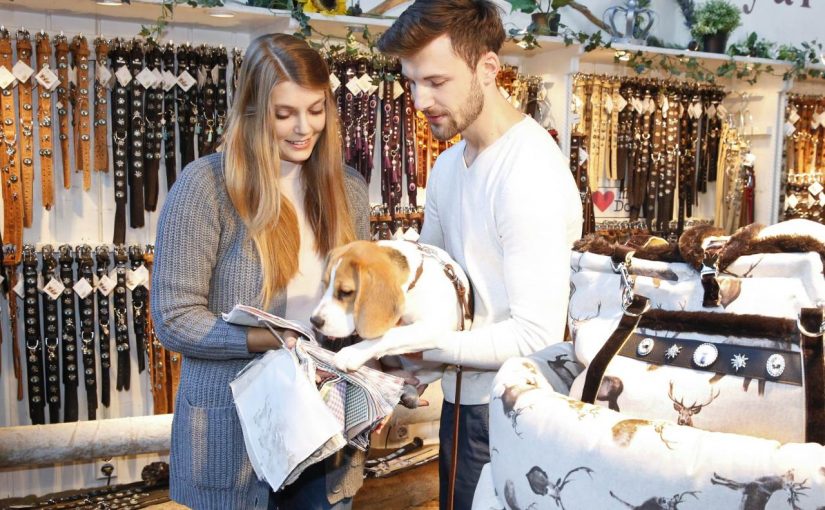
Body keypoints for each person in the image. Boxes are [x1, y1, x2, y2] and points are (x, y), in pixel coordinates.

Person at [377, 1, 583, 508]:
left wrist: (421, 350)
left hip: (515, 412)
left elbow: (536, 334)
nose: (421, 99)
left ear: (488, 69)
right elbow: (440, 295)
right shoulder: (449, 167)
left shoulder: (528, 169)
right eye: (412, 82)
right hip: (461, 401)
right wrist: (396, 362)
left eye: (437, 81)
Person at [150, 33, 369, 510]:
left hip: (325, 427)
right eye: (284, 113)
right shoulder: (206, 188)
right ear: (252, 110)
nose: (303, 128)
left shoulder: (348, 190)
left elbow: (359, 309)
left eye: (315, 110)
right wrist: (274, 339)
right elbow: (174, 318)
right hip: (233, 433)